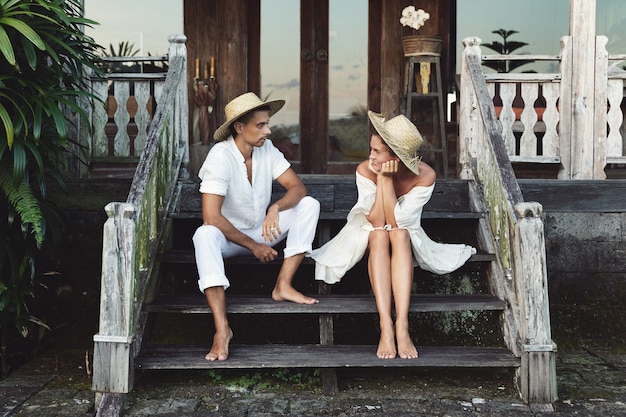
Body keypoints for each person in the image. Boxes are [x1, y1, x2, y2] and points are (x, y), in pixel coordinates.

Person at [309, 111, 476, 360]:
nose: (370, 156)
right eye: (371, 149)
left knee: (397, 235)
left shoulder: (425, 176)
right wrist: (383, 179)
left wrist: (386, 179)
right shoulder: (366, 170)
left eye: (377, 152)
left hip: (406, 234)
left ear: (396, 157)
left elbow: (398, 222)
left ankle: (403, 325)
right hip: (365, 230)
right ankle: (386, 325)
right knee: (379, 235)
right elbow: (376, 220)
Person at [192, 92, 321, 361]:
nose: (268, 130)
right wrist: (253, 246)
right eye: (261, 125)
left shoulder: (267, 149)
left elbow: (297, 188)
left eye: (267, 123)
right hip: (230, 240)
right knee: (204, 235)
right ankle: (222, 329)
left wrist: (275, 208)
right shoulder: (220, 157)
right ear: (239, 128)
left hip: (263, 231)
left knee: (309, 204)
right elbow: (211, 217)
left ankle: (283, 285)